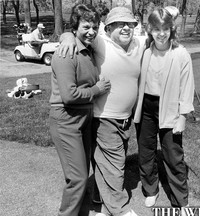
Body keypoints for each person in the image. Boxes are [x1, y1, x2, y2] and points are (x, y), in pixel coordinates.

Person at [58, 6, 146, 216]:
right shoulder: (100, 42)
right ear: (108, 28)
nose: (126, 28)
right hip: (104, 117)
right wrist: (67, 37)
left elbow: (160, 33)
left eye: (130, 24)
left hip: (125, 119)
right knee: (115, 166)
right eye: (120, 24)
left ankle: (103, 207)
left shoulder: (138, 44)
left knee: (109, 165)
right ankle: (120, 209)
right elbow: (77, 32)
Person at [49, 4, 111, 216]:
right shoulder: (66, 53)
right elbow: (69, 95)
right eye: (86, 26)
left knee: (83, 174)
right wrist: (97, 89)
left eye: (95, 26)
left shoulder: (89, 50)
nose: (92, 31)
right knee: (76, 178)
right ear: (75, 27)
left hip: (83, 119)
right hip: (66, 119)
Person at [133, 8, 195, 209]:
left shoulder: (181, 54)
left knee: (173, 155)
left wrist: (183, 117)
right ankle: (150, 189)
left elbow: (187, 88)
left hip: (170, 108)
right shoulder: (145, 51)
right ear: (149, 29)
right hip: (146, 108)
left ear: (172, 29)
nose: (161, 33)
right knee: (146, 152)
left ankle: (180, 200)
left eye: (166, 28)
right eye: (156, 29)